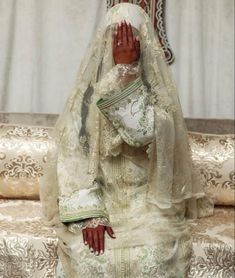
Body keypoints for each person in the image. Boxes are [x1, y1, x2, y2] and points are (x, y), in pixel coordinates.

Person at [40, 3, 212, 277]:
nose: (123, 44)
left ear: (143, 44)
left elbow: (141, 133)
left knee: (154, 255)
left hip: (147, 203)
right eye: (116, 37)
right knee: (90, 257)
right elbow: (73, 159)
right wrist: (91, 215)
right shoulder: (85, 97)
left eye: (131, 37)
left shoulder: (159, 94)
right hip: (102, 197)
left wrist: (125, 73)